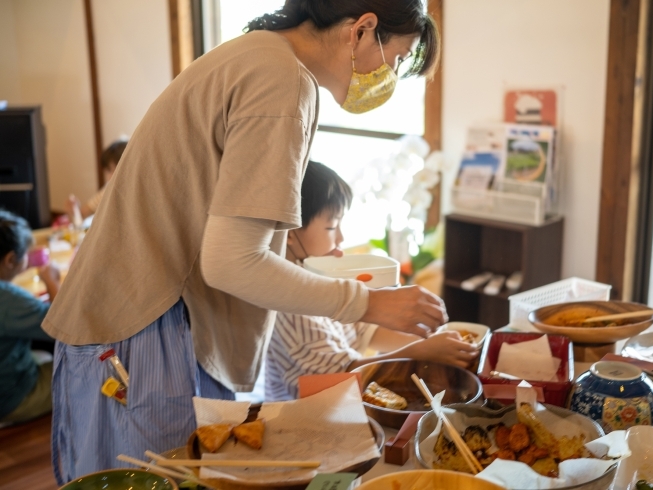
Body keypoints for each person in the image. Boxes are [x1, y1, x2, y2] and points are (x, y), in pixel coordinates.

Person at [42, 0, 442, 484]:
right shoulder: (282, 79)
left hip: (135, 322)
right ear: (362, 30)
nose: (389, 77)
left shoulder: (258, 57)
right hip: (147, 332)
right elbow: (233, 262)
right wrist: (369, 303)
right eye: (396, 59)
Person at [266, 162, 478, 401]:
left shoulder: (322, 278)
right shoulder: (292, 305)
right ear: (290, 231)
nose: (341, 237)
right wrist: (420, 352)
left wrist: (431, 340)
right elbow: (338, 377)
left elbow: (367, 332)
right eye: (331, 226)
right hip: (307, 415)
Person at [0, 210, 61, 426]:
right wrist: (53, 282)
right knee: (86, 372)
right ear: (9, 260)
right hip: (11, 397)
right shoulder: (10, 301)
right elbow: (62, 326)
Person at [65, 139, 127, 222]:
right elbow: (82, 215)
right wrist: (74, 211)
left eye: (112, 170)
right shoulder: (107, 191)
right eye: (108, 170)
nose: (109, 176)